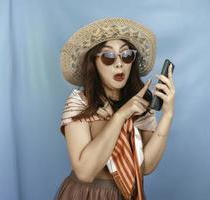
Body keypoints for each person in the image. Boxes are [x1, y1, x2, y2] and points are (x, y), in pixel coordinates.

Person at [54, 17, 175, 200]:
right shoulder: (79, 102)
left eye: (126, 56)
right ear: (93, 63)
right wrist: (120, 117)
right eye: (108, 57)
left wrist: (167, 115)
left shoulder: (140, 104)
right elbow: (85, 172)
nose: (119, 63)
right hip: (86, 195)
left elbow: (145, 167)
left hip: (125, 195)